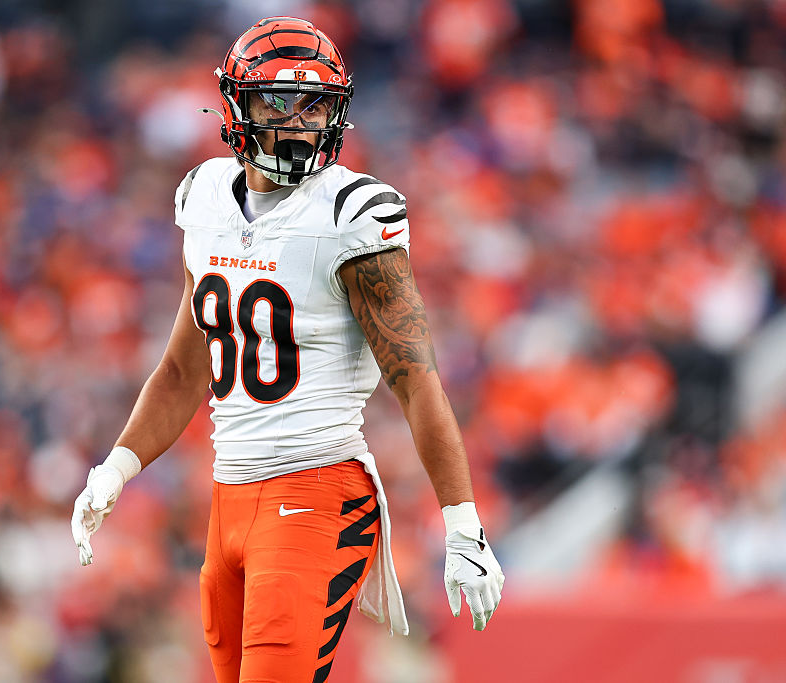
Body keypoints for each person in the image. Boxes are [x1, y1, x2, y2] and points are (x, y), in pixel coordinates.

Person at [72, 16, 504, 683]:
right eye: (280, 101)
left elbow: (416, 378)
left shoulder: (352, 214)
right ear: (236, 105)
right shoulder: (205, 196)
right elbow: (187, 366)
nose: (300, 121)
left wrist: (463, 523)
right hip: (229, 497)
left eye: (315, 105)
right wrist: (117, 467)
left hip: (317, 487)